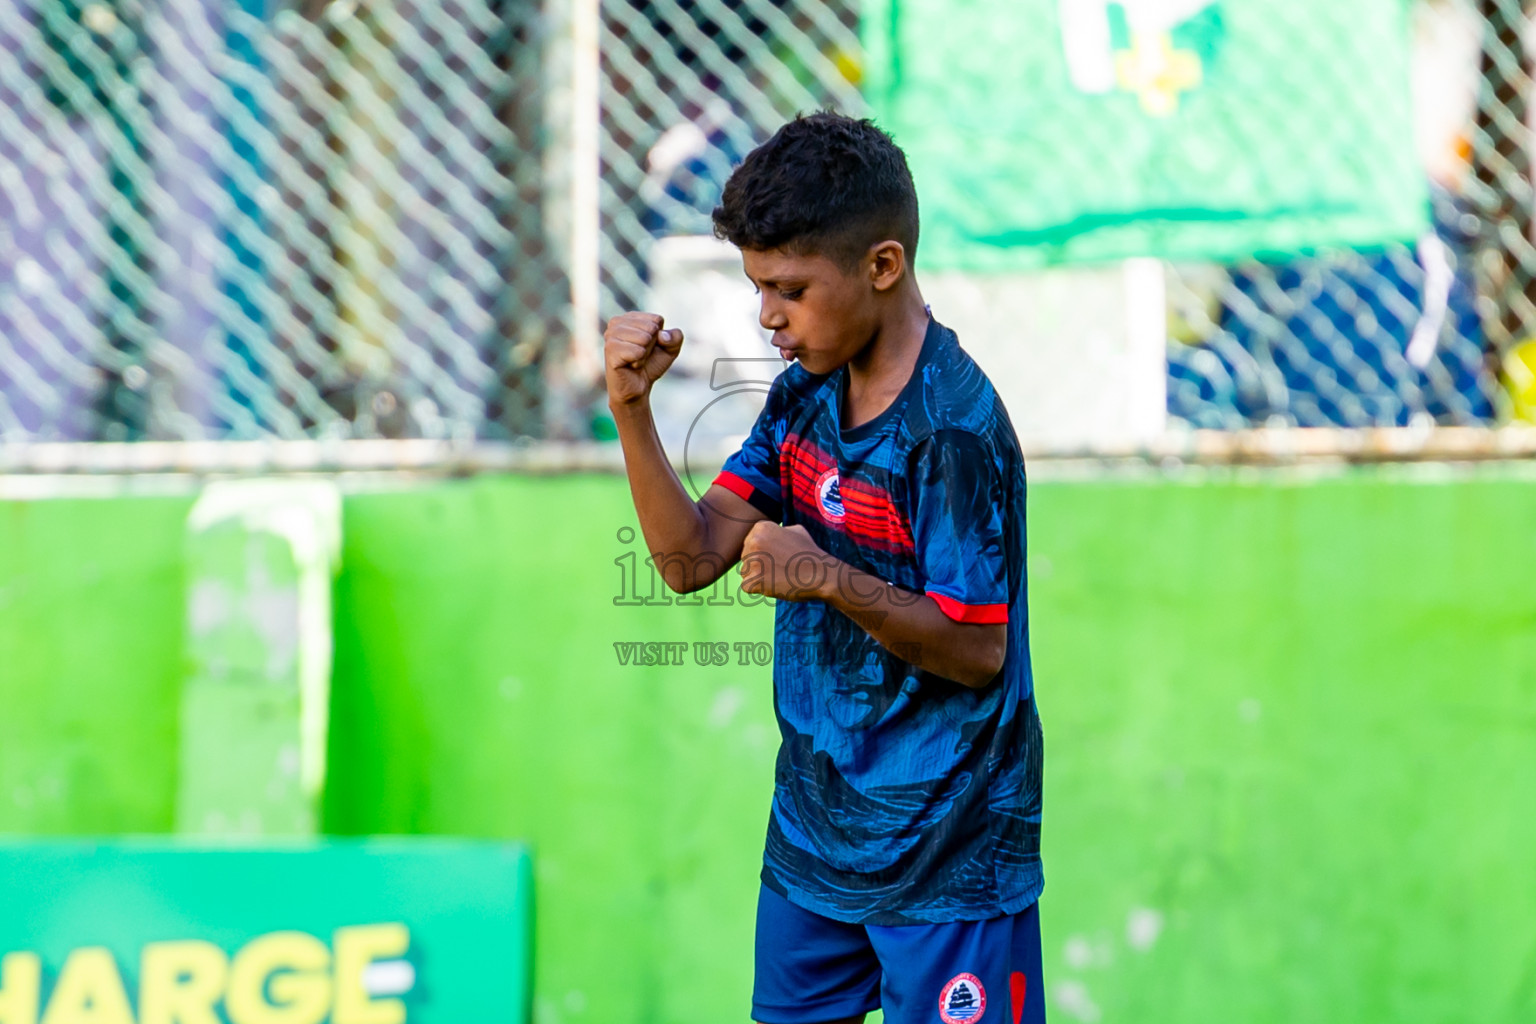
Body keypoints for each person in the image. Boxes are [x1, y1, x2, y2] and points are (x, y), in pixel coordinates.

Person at [603, 112, 1045, 1024]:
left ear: (882, 268)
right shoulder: (803, 392)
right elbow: (689, 560)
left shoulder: (951, 428)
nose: (768, 315)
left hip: (949, 860)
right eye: (758, 285)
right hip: (813, 846)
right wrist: (634, 412)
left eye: (790, 288)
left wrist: (824, 577)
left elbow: (977, 651)